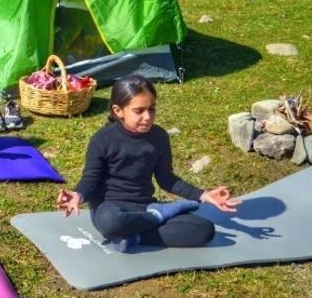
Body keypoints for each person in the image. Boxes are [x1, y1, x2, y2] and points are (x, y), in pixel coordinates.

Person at [56, 75, 240, 250]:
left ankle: (136, 235)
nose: (147, 116)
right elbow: (91, 179)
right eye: (139, 111)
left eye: (151, 109)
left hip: (144, 206)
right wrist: (78, 195)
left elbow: (167, 179)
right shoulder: (102, 140)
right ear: (118, 111)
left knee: (203, 229)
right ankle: (156, 217)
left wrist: (203, 195)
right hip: (110, 208)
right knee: (111, 222)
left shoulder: (159, 137)